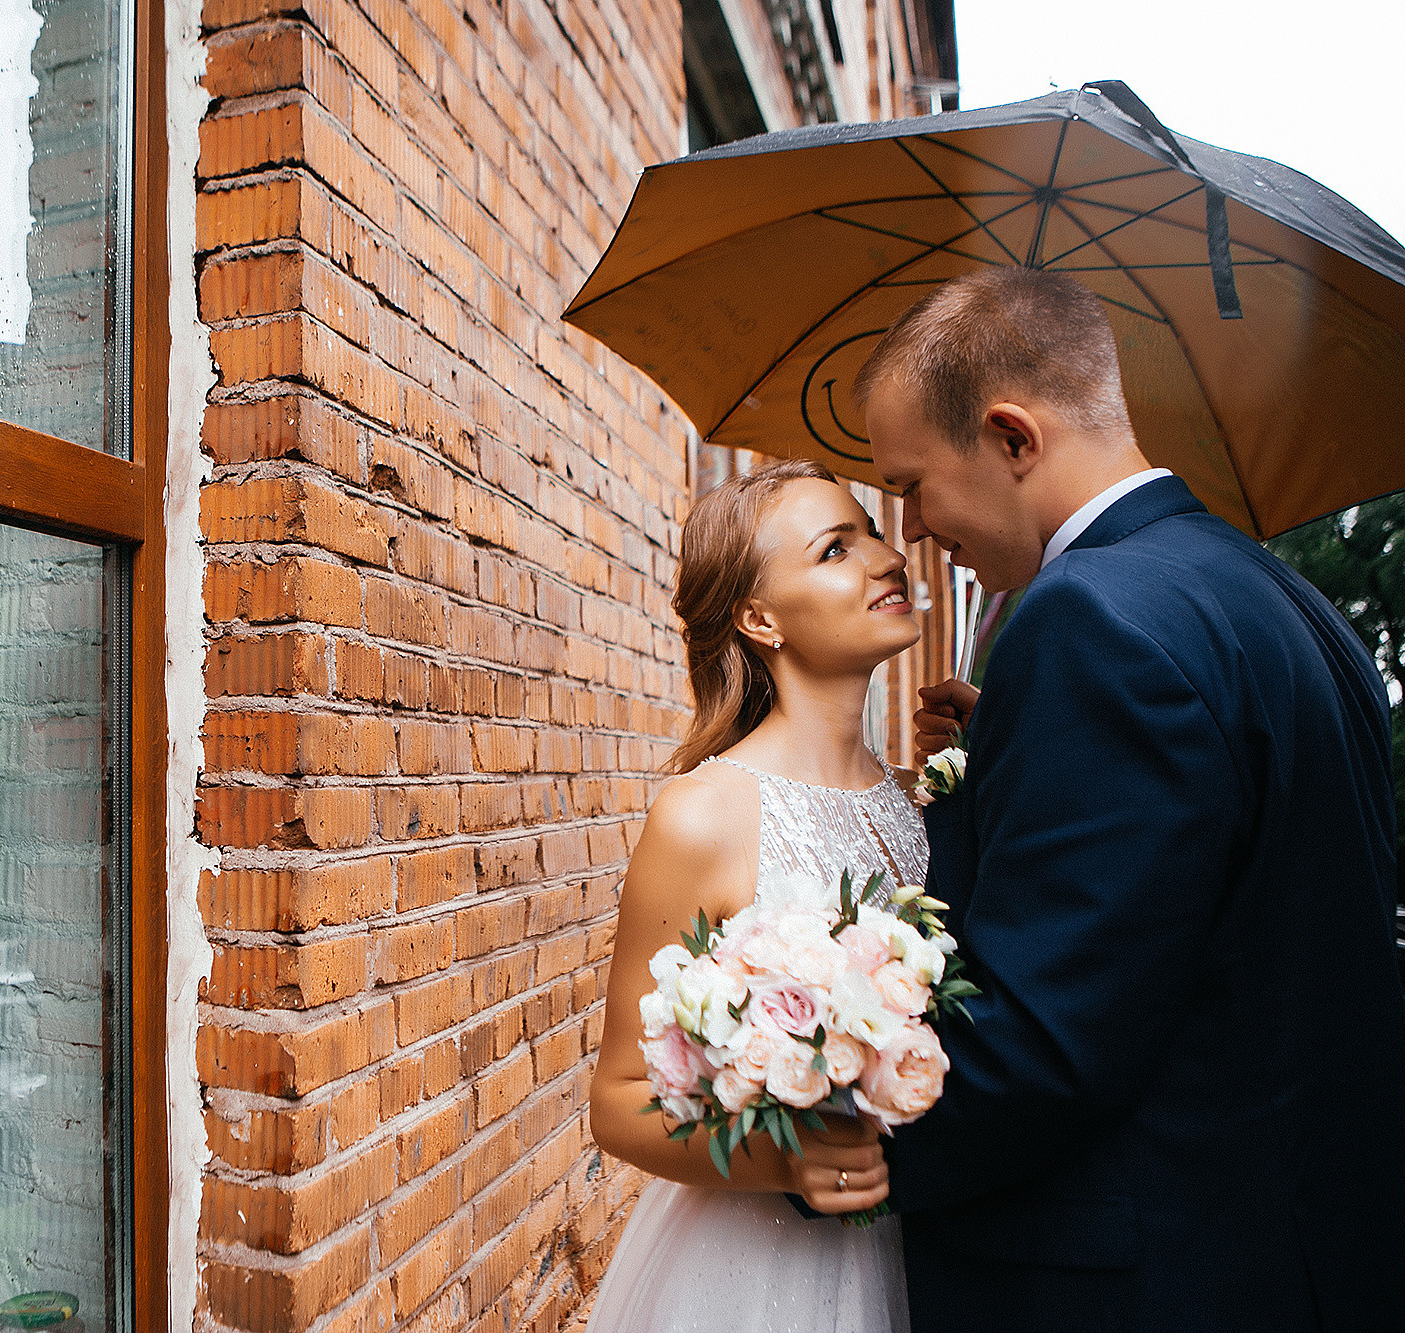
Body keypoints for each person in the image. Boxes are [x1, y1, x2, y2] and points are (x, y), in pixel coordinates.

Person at [858, 267, 1405, 1332]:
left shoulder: (1088, 621)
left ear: (1012, 438)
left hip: (1150, 1277)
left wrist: (786, 1140)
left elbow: (1040, 1048)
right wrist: (1017, 746)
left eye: (911, 483)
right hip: (1304, 1248)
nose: (913, 529)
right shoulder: (1281, 600)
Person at [585, 458, 925, 1332]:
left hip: (912, 1248)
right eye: (835, 549)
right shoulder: (703, 816)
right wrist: (787, 1159)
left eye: (875, 533)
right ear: (759, 618)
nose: (886, 560)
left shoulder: (915, 803)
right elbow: (621, 1100)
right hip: (756, 1270)